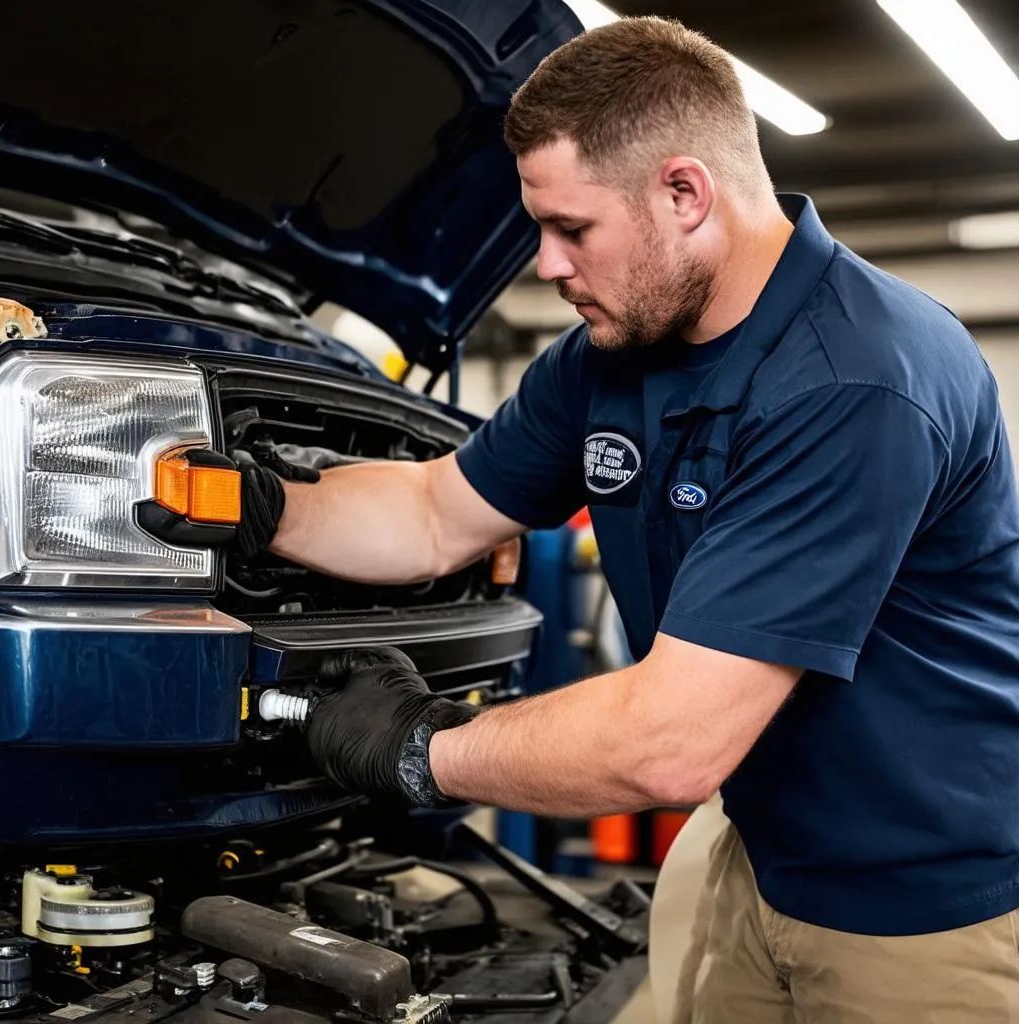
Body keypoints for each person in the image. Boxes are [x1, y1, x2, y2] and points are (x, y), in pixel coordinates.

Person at [232, 17, 1019, 1022]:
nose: (548, 265)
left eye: (572, 229)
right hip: (757, 851)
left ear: (684, 194)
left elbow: (669, 742)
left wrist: (419, 744)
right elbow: (435, 513)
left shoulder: (858, 378)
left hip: (917, 910)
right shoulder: (608, 352)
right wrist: (263, 510)